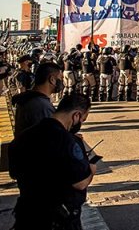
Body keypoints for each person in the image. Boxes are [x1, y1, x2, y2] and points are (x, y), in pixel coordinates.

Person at [9, 94, 96, 230]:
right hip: (58, 219)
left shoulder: (22, 138)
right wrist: (91, 169)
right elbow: (80, 183)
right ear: (76, 115)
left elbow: (14, 173)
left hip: (27, 215)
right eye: (82, 120)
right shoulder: (68, 141)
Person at [12, 62, 63, 135]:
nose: (62, 81)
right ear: (52, 80)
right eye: (60, 78)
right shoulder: (41, 106)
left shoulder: (29, 98)